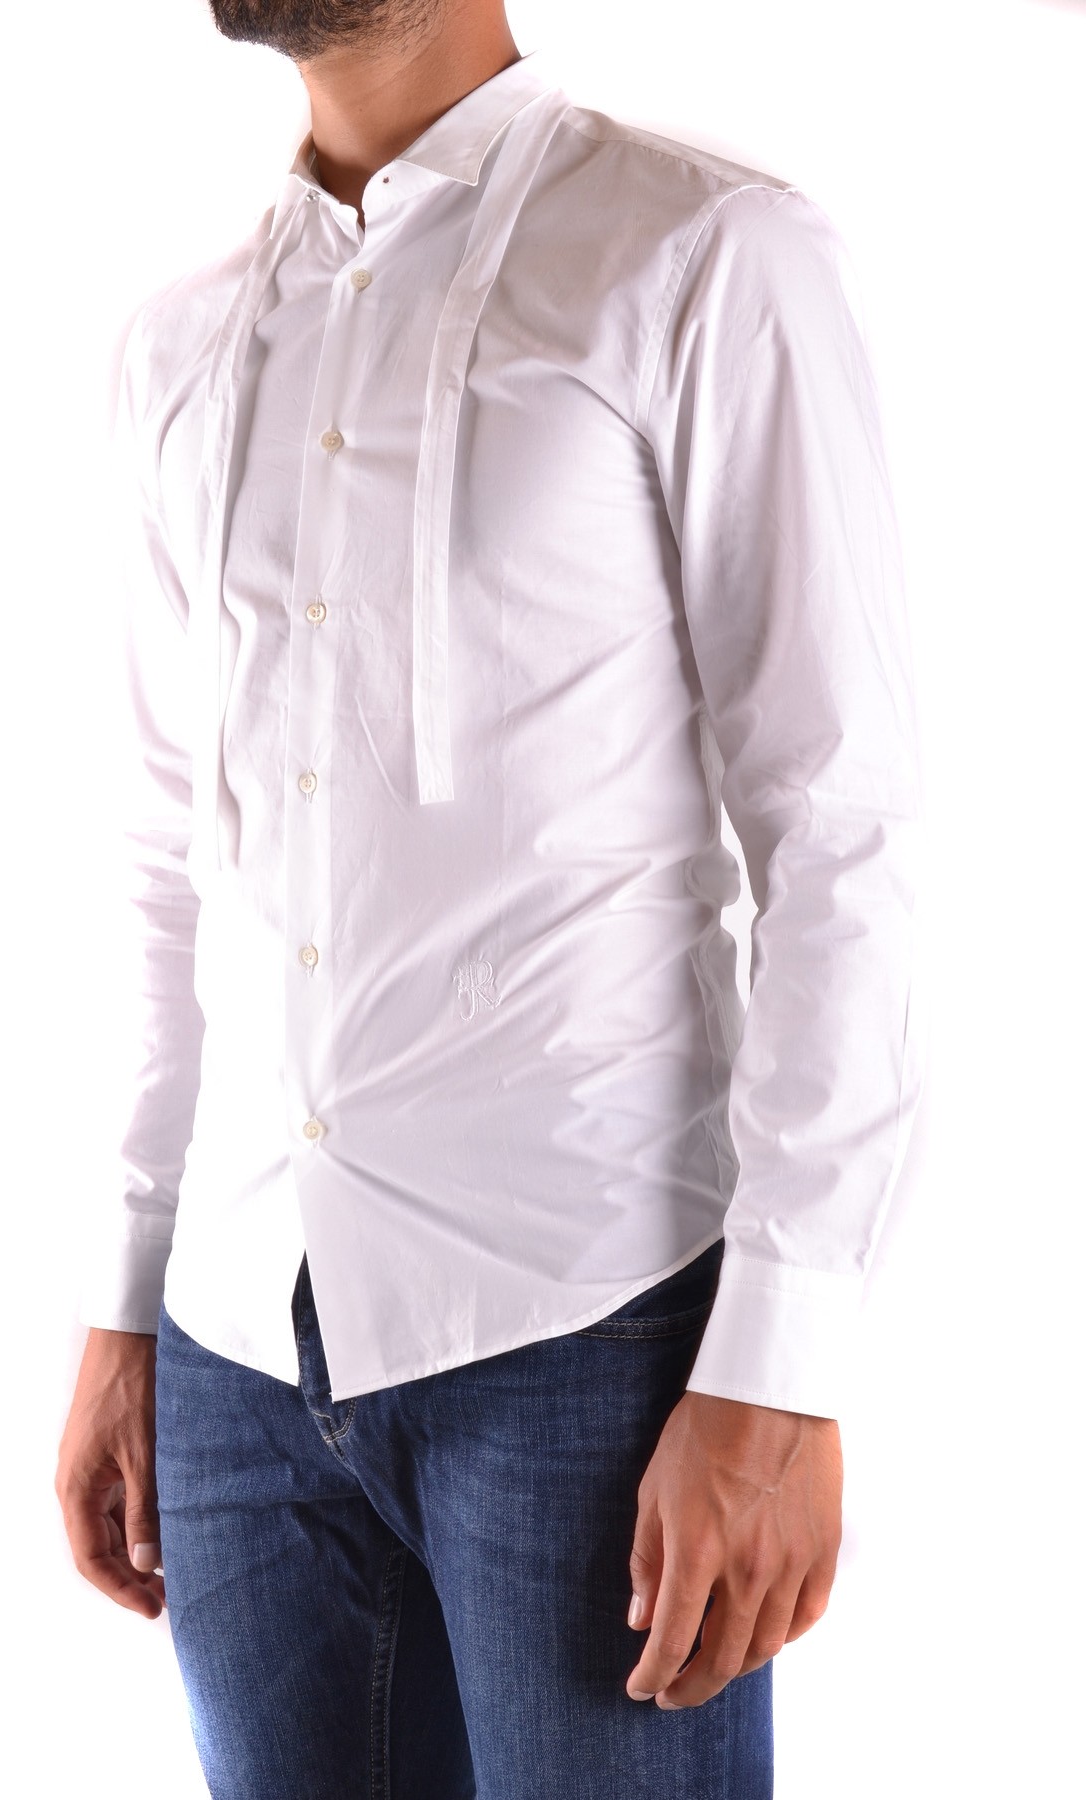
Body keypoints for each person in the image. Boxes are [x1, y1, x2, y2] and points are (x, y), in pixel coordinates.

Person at [55, 2, 924, 1794]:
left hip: (589, 1337)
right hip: (235, 1349)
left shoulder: (704, 256)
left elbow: (841, 827)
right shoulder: (179, 343)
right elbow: (161, 860)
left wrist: (784, 1366)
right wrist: (126, 1297)